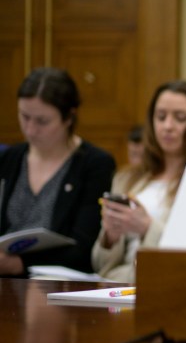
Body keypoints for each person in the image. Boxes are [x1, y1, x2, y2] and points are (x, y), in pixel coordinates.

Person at [92, 81, 186, 281]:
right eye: (160, 117)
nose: (167, 126)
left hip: (171, 284)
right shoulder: (127, 177)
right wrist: (110, 237)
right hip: (119, 286)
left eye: (180, 118)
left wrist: (147, 227)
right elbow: (100, 266)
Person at [1, 68, 115, 276]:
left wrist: (19, 263)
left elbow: (84, 247)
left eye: (42, 121)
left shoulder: (95, 164)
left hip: (58, 283)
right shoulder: (9, 158)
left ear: (69, 117)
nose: (30, 129)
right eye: (24, 117)